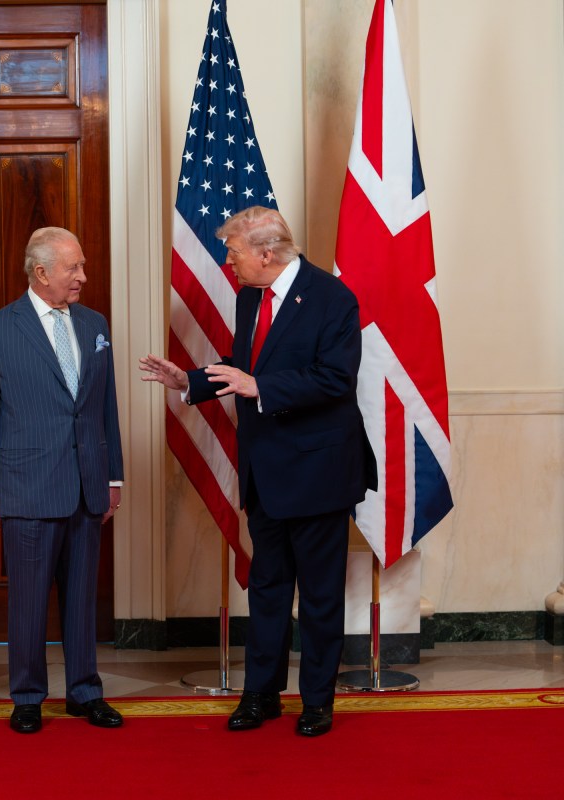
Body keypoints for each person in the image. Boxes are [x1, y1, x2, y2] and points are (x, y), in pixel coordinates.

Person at [140, 206, 376, 737]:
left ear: (266, 253)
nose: (229, 262)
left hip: (319, 474)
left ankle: (316, 702)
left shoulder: (332, 298)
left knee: (318, 597)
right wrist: (190, 381)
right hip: (265, 473)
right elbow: (244, 363)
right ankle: (261, 696)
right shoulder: (251, 297)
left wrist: (260, 388)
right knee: (267, 590)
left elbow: (335, 379)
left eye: (234, 251)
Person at [0, 226, 125, 734]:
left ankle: (85, 691)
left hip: (87, 484)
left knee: (82, 598)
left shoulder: (95, 324)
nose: (82, 276)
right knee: (29, 600)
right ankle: (28, 696)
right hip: (26, 487)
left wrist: (114, 475)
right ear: (41, 273)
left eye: (80, 266)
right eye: (72, 268)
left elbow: (105, 409)